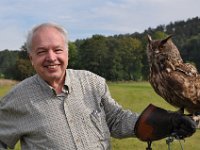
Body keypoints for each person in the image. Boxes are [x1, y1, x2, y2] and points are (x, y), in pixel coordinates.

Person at [0, 23, 196, 150]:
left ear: (67, 53)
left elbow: (116, 120)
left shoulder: (92, 82)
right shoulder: (17, 99)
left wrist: (168, 122)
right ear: (31, 57)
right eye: (42, 51)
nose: (51, 57)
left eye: (57, 50)